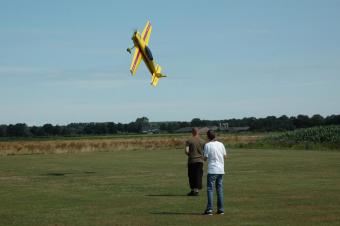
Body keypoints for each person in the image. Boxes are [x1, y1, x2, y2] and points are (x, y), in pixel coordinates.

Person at [203, 130, 227, 215]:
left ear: (208, 136)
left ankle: (209, 209)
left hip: (212, 170)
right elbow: (225, 156)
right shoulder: (221, 144)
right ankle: (221, 209)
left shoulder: (207, 145)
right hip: (221, 170)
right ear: (215, 136)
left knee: (210, 189)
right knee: (219, 189)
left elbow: (205, 158)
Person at [185, 127, 205, 196]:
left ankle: (193, 190)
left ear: (192, 132)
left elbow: (186, 151)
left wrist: (190, 155)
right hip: (200, 161)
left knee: (191, 176)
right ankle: (196, 190)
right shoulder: (202, 141)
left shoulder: (189, 140)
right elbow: (205, 151)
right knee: (198, 175)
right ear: (198, 132)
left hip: (192, 160)